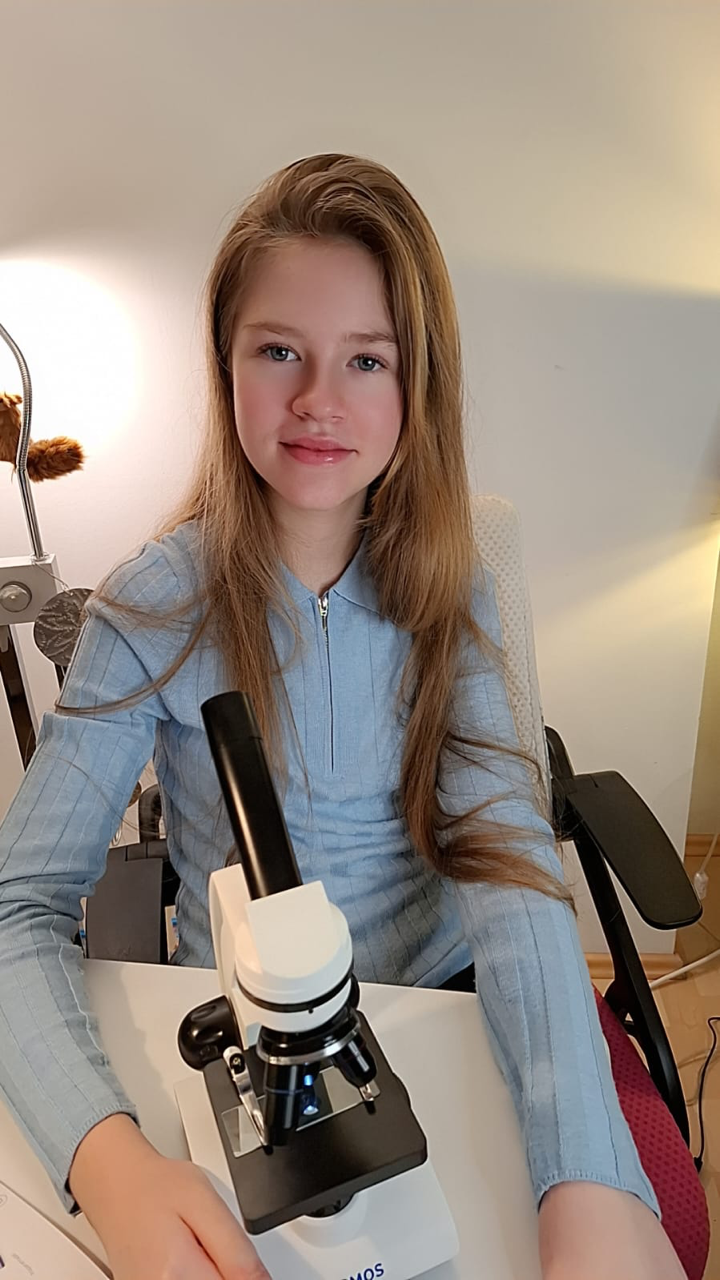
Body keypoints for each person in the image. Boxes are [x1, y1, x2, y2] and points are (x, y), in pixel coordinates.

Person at [0, 153, 686, 1280]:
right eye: (279, 350)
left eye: (368, 359)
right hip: (248, 1032)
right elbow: (15, 907)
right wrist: (108, 1162)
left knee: (630, 1223)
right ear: (225, 363)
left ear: (420, 386)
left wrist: (585, 1174)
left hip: (446, 1005)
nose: (319, 398)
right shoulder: (150, 610)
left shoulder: (453, 593)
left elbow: (507, 866)